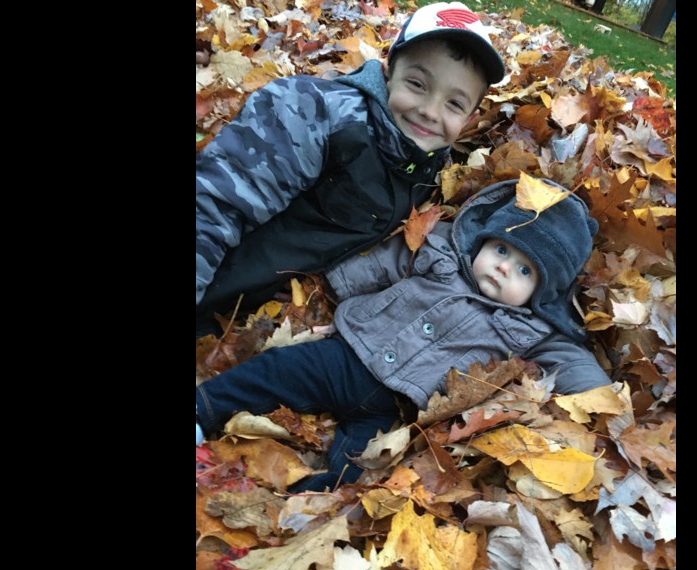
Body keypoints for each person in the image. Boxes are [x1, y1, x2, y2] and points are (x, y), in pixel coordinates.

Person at [195, 178, 613, 492]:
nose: (504, 267)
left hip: (395, 410)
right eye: (501, 251)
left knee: (360, 469)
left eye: (524, 270)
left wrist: (603, 405)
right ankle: (204, 409)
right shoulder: (444, 256)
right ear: (484, 241)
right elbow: (389, 264)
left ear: (542, 292)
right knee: (274, 370)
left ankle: (301, 504)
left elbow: (571, 361)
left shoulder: (530, 328)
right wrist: (340, 283)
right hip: (348, 355)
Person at [196, 2, 507, 335]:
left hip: (249, 320)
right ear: (388, 72)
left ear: (470, 119)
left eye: (454, 103)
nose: (431, 111)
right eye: (417, 84)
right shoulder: (313, 113)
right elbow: (214, 206)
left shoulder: (430, 166)